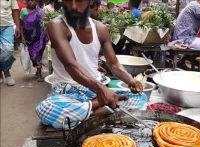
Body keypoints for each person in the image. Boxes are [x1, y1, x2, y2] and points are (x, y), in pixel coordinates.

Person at [35, 0, 143, 128]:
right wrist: (102, 91)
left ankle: (86, 113)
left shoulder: (100, 29)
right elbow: (72, 65)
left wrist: (130, 79)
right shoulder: (56, 26)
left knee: (140, 99)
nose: (73, 6)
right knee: (46, 108)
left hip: (94, 91)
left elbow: (114, 64)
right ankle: (101, 108)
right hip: (67, 92)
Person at [20, 0, 47, 82]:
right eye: (29, 0)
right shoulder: (23, 11)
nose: (31, 2)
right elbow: (21, 25)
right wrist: (22, 36)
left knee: (39, 54)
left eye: (33, 0)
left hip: (40, 37)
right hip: (29, 38)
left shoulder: (41, 11)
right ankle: (38, 69)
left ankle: (39, 73)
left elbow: (44, 24)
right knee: (33, 55)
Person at [0, 0, 21, 86]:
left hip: (7, 26)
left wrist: (17, 26)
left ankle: (7, 72)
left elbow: (15, 10)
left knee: (7, 50)